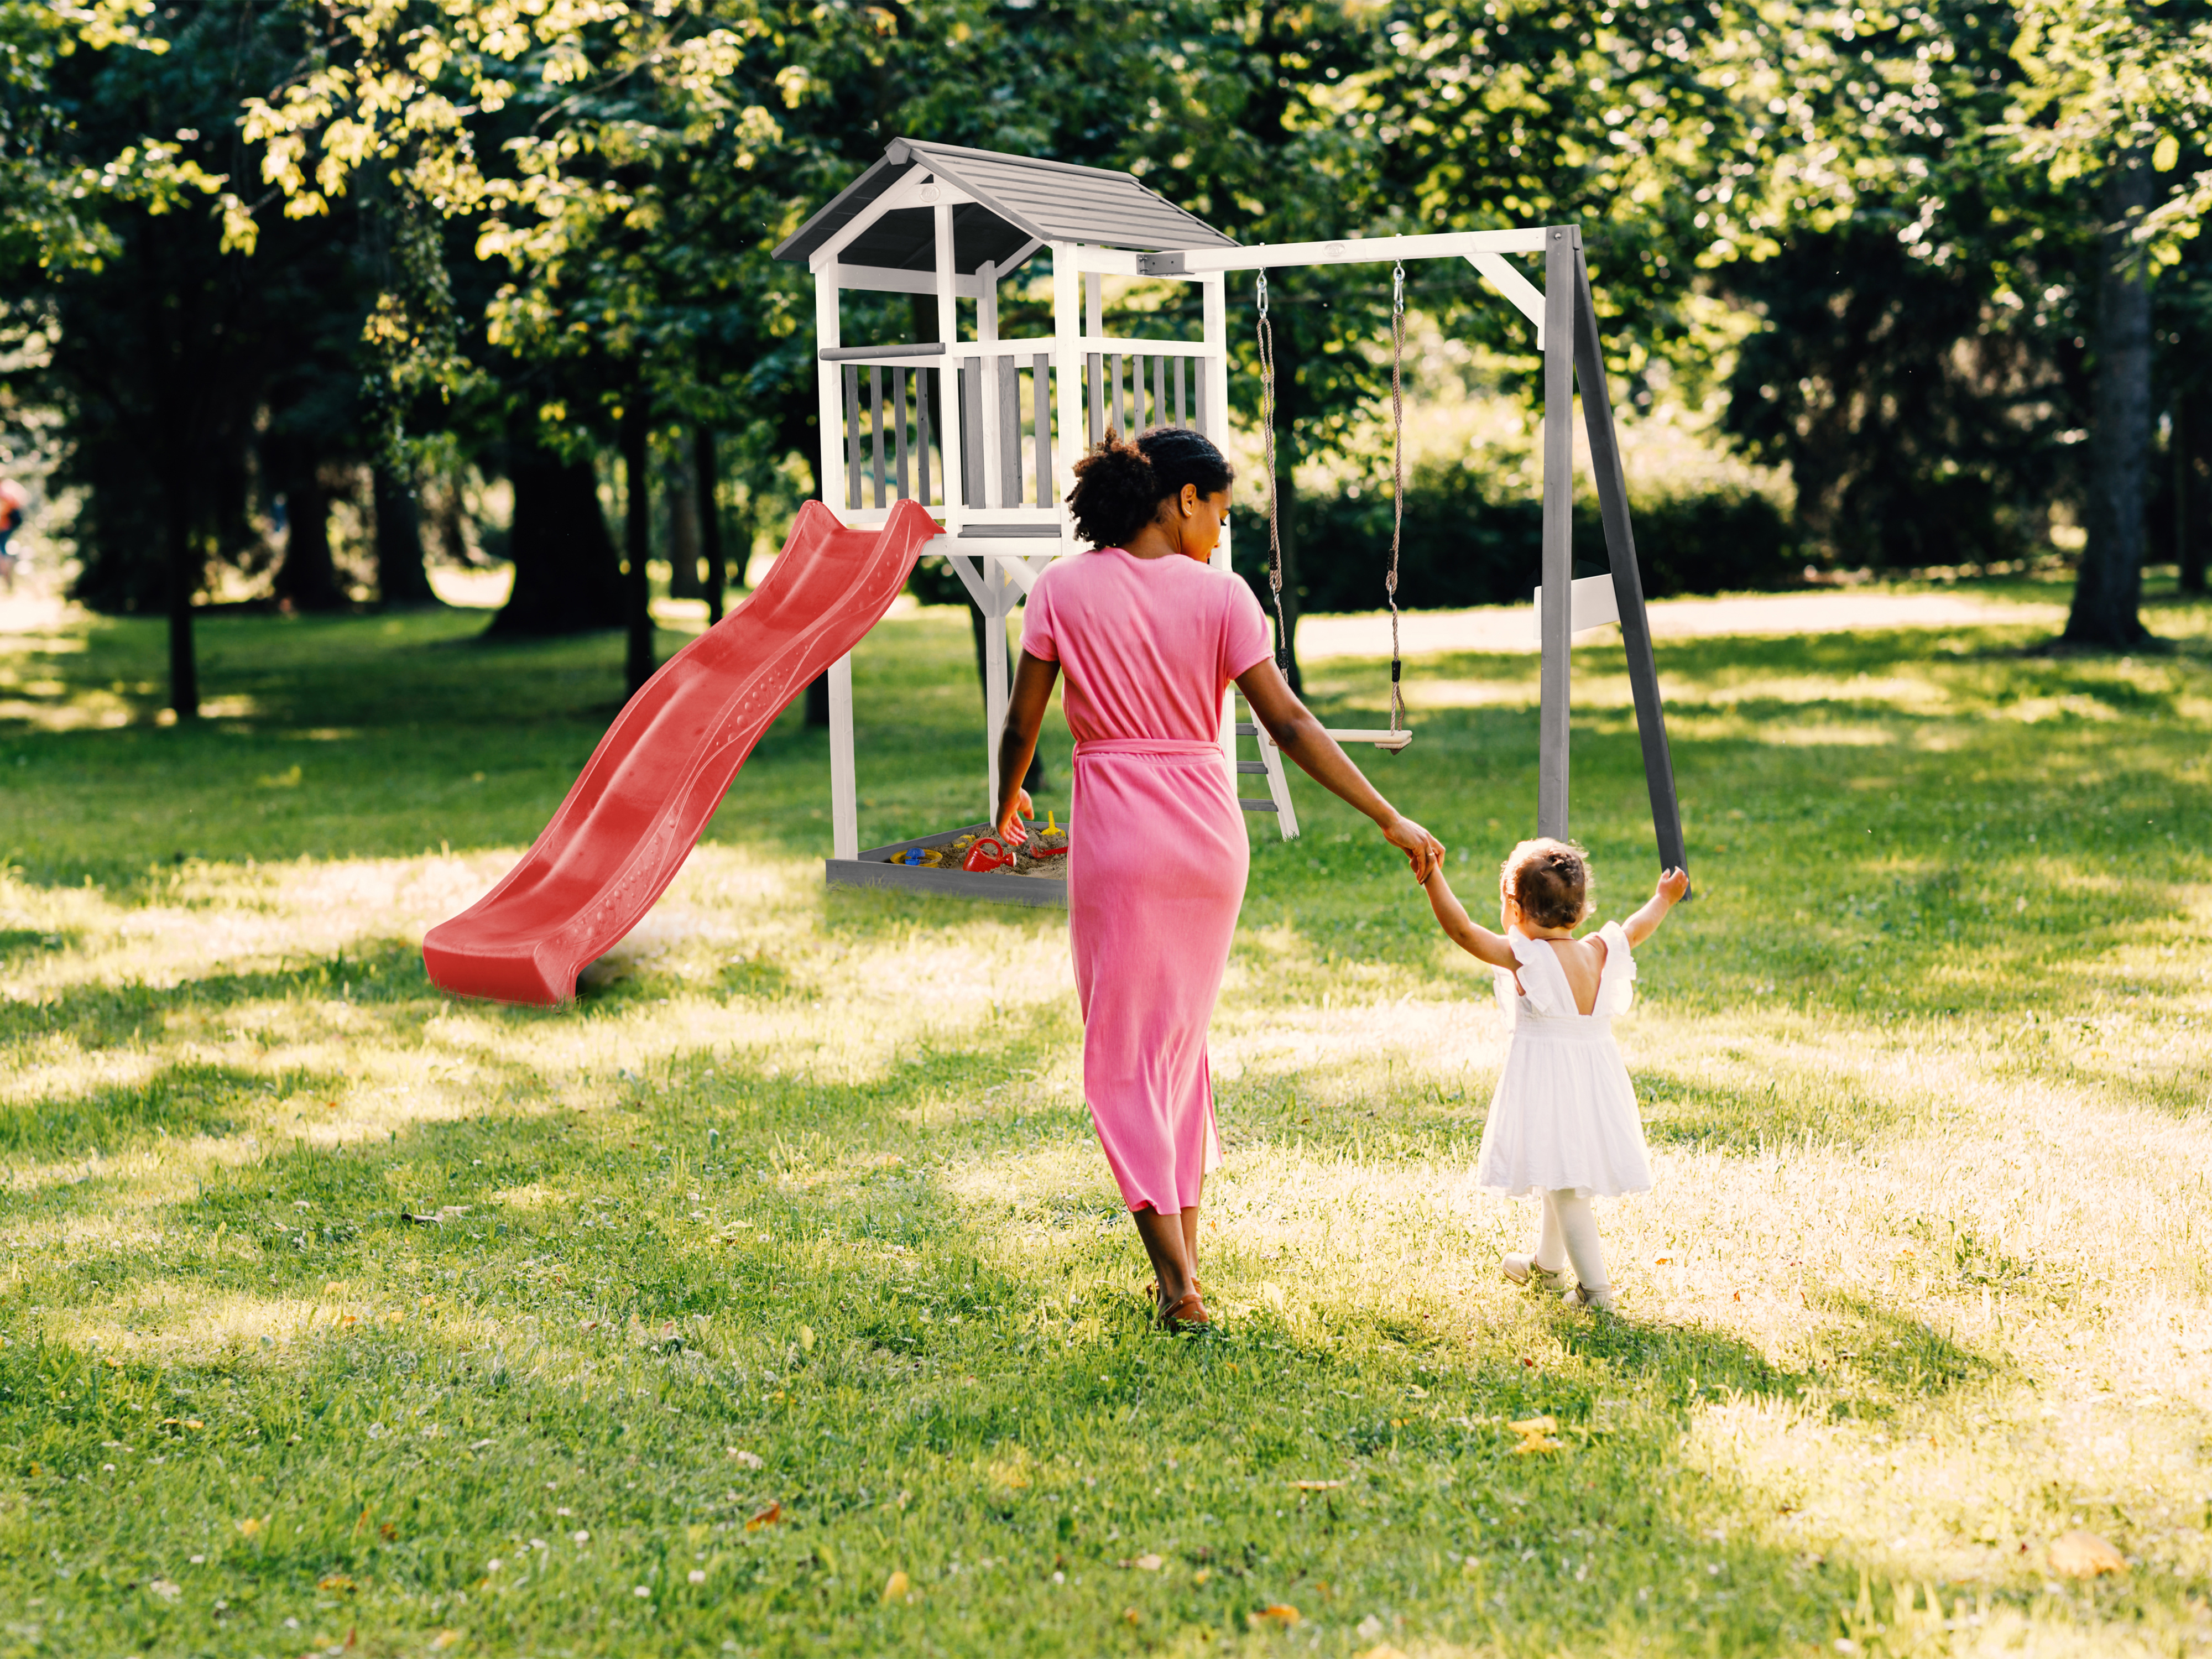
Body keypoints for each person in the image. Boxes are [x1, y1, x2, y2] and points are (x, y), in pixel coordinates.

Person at [994, 427, 1444, 1332]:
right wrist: (1385, 813)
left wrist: (1003, 806)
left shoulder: (1060, 589)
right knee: (1175, 1052)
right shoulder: (1224, 598)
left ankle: (1176, 1286)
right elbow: (1290, 724)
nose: (1221, 534)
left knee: (1124, 1060)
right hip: (1207, 839)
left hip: (1120, 838)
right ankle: (1185, 1268)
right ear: (1183, 499)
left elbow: (1022, 723)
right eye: (1222, 514)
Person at [1418, 838, 1689, 1311]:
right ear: (1580, 912)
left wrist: (1431, 875)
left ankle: (1596, 1292)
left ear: (1515, 908)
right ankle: (1547, 1267)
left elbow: (1462, 931)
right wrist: (1663, 899)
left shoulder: (1527, 958)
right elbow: (1635, 927)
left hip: (1550, 1083)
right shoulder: (1598, 951)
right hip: (1594, 1081)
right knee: (1555, 1169)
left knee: (1565, 1187)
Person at [0, 478, 27, 595]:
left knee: (2, 550)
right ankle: (7, 577)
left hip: (7, 524)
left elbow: (5, 509)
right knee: (3, 549)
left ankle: (6, 575)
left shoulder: (4, 491)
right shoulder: (8, 486)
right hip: (10, 523)